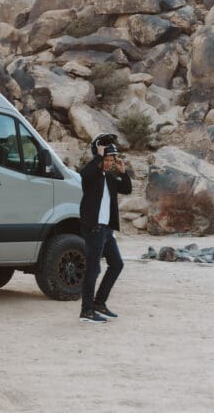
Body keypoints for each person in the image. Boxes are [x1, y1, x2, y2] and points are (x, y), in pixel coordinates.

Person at [78, 134, 132, 324]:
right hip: (93, 229)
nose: (109, 163)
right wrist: (98, 157)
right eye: (107, 159)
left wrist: (123, 172)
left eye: (111, 160)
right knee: (93, 269)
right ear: (99, 156)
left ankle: (99, 303)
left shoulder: (108, 178)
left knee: (117, 264)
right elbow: (84, 175)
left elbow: (126, 189)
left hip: (106, 230)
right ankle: (86, 311)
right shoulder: (91, 175)